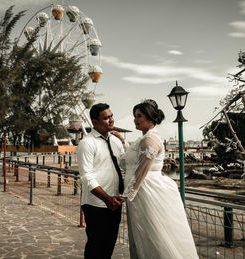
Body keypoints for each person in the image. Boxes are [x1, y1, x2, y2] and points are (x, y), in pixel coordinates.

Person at [112, 99, 198, 259]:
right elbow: (132, 161)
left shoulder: (149, 139)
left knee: (151, 234)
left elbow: (142, 171)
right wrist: (123, 143)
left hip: (146, 190)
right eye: (134, 116)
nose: (135, 119)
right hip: (141, 189)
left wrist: (126, 195)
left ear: (150, 118)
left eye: (139, 116)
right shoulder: (144, 138)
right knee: (144, 234)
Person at [77, 103, 126, 259]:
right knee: (96, 246)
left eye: (111, 116)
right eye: (106, 118)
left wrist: (124, 141)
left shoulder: (116, 141)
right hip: (96, 204)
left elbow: (125, 165)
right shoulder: (87, 143)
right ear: (94, 122)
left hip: (115, 202)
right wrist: (106, 199)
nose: (111, 120)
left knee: (109, 245)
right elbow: (86, 176)